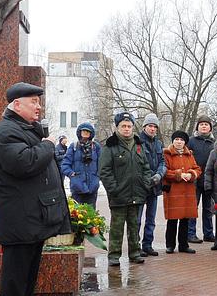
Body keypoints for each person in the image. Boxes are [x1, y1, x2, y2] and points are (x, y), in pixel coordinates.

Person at [0, 82, 71, 296]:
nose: (38, 106)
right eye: (33, 101)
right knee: (16, 269)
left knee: (29, 266)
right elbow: (23, 163)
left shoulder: (24, 129)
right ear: (17, 104)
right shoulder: (6, 132)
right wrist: (47, 145)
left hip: (31, 212)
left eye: (38, 101)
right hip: (18, 214)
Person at [99, 112, 152, 266]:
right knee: (117, 227)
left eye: (129, 126)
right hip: (118, 195)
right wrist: (113, 189)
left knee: (134, 226)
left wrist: (145, 184)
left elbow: (146, 168)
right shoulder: (110, 146)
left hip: (137, 193)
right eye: (124, 126)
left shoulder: (139, 145)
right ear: (117, 127)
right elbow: (104, 171)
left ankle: (135, 253)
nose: (127, 129)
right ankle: (114, 256)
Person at [163, 131, 201, 254]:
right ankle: (170, 245)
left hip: (187, 191)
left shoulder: (189, 154)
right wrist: (179, 174)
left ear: (185, 142)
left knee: (185, 219)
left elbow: (197, 169)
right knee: (172, 220)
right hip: (174, 190)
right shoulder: (167, 154)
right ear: (173, 141)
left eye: (181, 140)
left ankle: (184, 245)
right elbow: (165, 171)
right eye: (177, 139)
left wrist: (191, 174)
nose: (179, 142)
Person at [137, 113, 166, 257]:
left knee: (151, 219)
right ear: (144, 127)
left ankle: (147, 245)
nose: (153, 129)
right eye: (150, 126)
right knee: (136, 219)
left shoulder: (159, 144)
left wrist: (159, 175)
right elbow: (137, 163)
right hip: (141, 187)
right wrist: (148, 177)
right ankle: (135, 246)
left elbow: (162, 162)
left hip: (155, 186)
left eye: (155, 126)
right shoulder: (137, 142)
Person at [187, 115, 215, 243]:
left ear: (210, 128)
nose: (204, 126)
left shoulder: (214, 143)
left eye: (206, 124)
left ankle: (208, 233)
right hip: (194, 180)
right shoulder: (191, 141)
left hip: (209, 180)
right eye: (201, 124)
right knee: (193, 208)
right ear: (197, 126)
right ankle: (190, 233)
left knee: (208, 209)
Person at [61, 122, 101, 208]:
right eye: (84, 131)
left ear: (91, 133)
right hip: (77, 187)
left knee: (92, 215)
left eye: (88, 131)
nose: (86, 133)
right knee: (77, 216)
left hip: (92, 187)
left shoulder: (96, 147)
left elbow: (102, 164)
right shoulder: (74, 146)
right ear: (80, 132)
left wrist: (97, 176)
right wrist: (71, 174)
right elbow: (65, 164)